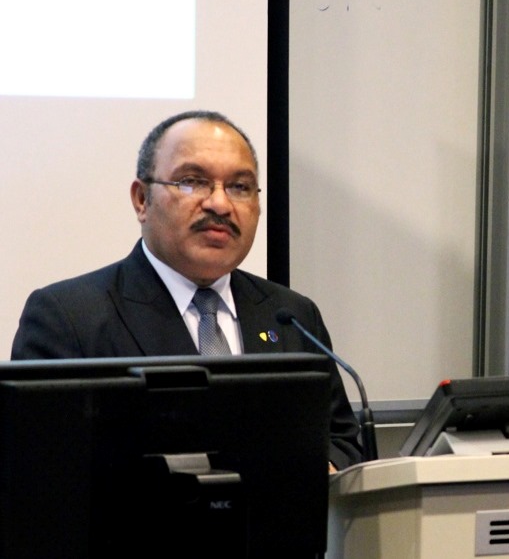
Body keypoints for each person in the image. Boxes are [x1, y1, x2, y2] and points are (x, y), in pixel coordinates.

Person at [10, 110, 364, 471]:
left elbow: (344, 444)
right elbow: (39, 471)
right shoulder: (69, 318)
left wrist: (321, 468)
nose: (220, 204)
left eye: (240, 187)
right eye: (192, 181)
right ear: (141, 200)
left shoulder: (291, 315)